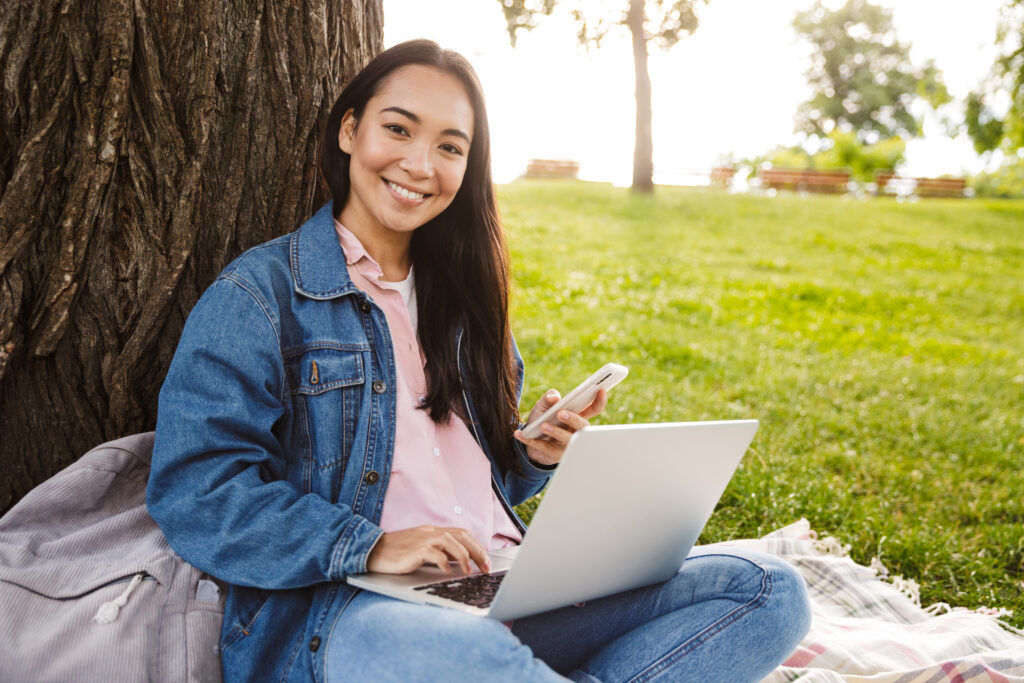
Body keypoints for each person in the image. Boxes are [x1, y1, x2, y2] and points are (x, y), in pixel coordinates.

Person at [146, 39, 811, 682]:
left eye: (449, 146)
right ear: (349, 130)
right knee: (479, 661)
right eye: (398, 129)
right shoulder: (261, 296)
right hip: (351, 609)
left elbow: (479, 478)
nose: (419, 163)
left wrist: (534, 457)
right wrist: (371, 544)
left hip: (501, 586)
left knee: (770, 590)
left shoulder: (465, 304)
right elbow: (196, 490)